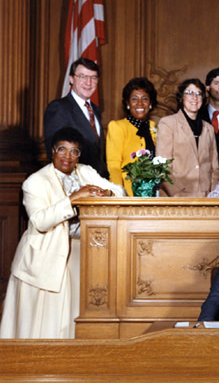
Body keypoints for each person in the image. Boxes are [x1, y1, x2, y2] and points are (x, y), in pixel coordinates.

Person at [0, 127, 126, 339]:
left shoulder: (86, 171)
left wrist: (108, 193)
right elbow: (40, 221)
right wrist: (73, 198)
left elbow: (120, 192)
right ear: (52, 151)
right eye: (62, 150)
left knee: (75, 314)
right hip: (45, 256)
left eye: (74, 152)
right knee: (45, 322)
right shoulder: (35, 182)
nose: (68, 156)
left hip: (80, 252)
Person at [44, 58, 108, 177]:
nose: (88, 83)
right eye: (82, 76)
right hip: (72, 183)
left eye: (93, 78)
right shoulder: (59, 107)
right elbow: (55, 153)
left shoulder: (95, 110)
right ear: (71, 79)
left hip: (97, 182)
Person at [156, 78, 219, 197]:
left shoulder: (209, 128)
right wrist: (176, 193)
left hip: (206, 196)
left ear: (203, 99)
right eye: (189, 93)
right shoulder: (167, 123)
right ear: (181, 98)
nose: (194, 98)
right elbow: (163, 166)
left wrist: (213, 193)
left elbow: (214, 167)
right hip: (177, 196)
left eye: (198, 94)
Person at [106, 77, 158, 195]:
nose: (140, 103)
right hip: (129, 194)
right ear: (128, 103)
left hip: (155, 194)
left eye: (144, 99)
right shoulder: (117, 127)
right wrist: (119, 193)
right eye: (134, 99)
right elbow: (113, 166)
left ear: (150, 103)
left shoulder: (156, 127)